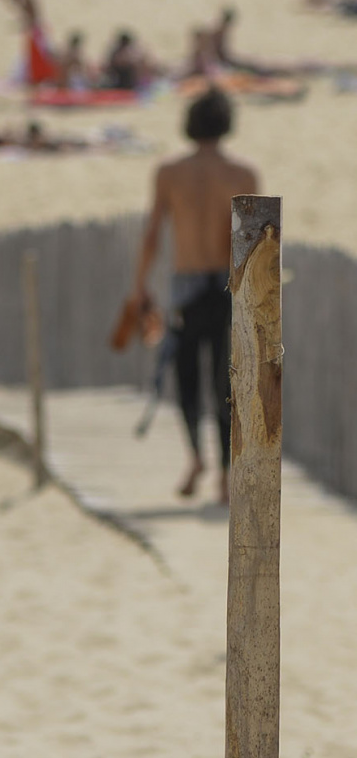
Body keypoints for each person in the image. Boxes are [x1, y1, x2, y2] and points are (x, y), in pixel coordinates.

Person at [128, 88, 258, 502]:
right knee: (226, 379)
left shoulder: (168, 172)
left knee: (186, 377)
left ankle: (196, 459)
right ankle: (223, 473)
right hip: (226, 287)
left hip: (185, 287)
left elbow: (152, 235)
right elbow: (255, 242)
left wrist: (140, 285)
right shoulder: (243, 173)